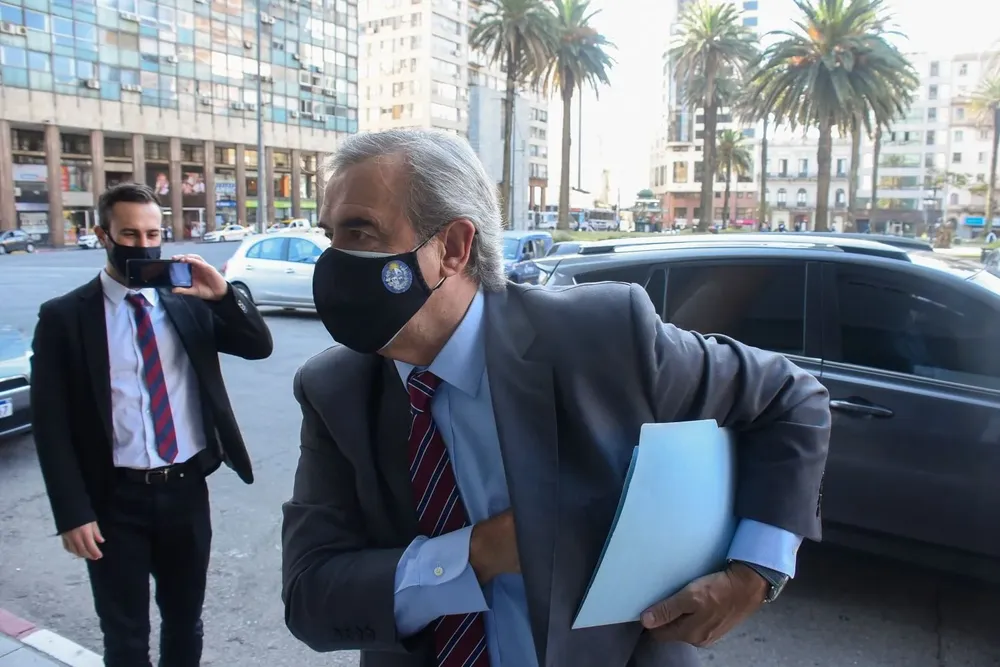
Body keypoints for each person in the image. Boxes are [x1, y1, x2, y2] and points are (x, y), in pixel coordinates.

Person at [281, 130, 830, 667]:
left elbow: (791, 398)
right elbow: (310, 596)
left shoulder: (600, 338)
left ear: (452, 248)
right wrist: (476, 554)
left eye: (360, 233)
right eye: (331, 237)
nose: (334, 264)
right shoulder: (335, 389)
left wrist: (755, 573)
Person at [31, 182, 273, 667]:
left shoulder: (188, 300)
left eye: (153, 234)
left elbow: (257, 345)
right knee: (125, 637)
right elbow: (50, 423)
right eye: (130, 235)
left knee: (185, 623)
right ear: (102, 235)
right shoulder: (65, 318)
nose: (143, 246)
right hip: (113, 501)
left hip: (185, 492)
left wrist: (223, 295)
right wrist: (72, 512)